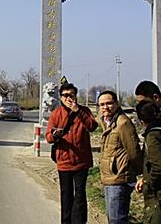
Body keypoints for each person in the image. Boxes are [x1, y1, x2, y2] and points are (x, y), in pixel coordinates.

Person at [46, 81, 99, 224]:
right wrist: (56, 135)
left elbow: (92, 126)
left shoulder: (84, 111)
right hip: (64, 161)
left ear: (76, 96)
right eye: (65, 95)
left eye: (71, 95)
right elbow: (48, 137)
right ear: (60, 97)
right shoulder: (56, 114)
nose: (68, 98)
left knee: (80, 196)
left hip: (82, 161)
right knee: (66, 197)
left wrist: (78, 111)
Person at [97, 90, 143, 224]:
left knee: (117, 220)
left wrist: (141, 174)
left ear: (116, 104)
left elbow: (133, 152)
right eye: (102, 104)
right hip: (109, 179)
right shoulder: (107, 121)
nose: (105, 107)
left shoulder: (123, 123)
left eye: (109, 103)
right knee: (113, 219)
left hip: (120, 178)